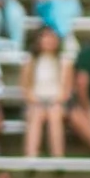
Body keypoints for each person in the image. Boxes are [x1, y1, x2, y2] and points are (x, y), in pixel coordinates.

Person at [18, 24, 72, 159]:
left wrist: (54, 101)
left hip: (57, 102)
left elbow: (66, 90)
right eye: (45, 37)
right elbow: (25, 88)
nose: (48, 41)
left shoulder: (65, 61)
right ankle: (31, 157)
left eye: (51, 37)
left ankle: (57, 157)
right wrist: (37, 101)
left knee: (54, 113)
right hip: (35, 102)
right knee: (36, 113)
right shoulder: (30, 61)